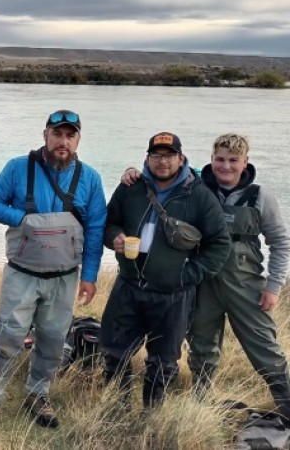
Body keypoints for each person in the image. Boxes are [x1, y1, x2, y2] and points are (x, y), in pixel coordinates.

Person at [121, 133, 290, 420]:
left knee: (265, 348)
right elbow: (163, 172)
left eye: (233, 161)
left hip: (245, 284)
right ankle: (201, 406)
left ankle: (286, 404)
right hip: (202, 282)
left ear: (245, 162)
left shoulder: (260, 197)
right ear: (211, 159)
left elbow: (281, 242)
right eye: (220, 159)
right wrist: (133, 172)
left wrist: (273, 287)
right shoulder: (195, 186)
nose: (225, 166)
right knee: (201, 347)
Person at [0, 109, 107, 428]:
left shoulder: (90, 178)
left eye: (70, 135)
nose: (63, 142)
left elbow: (96, 229)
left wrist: (89, 276)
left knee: (52, 340)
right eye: (57, 134)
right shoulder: (18, 168)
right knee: (8, 335)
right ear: (45, 135)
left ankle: (38, 394)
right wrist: (21, 219)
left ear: (78, 139)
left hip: (64, 278)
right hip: (21, 273)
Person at [102, 132, 230, 409]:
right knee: (114, 352)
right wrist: (114, 237)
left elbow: (219, 245)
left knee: (163, 361)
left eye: (169, 155)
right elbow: (109, 223)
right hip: (129, 285)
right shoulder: (130, 187)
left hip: (174, 294)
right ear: (147, 158)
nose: (163, 161)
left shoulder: (199, 195)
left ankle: (152, 414)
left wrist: (187, 275)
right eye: (156, 155)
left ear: (181, 158)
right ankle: (115, 412)